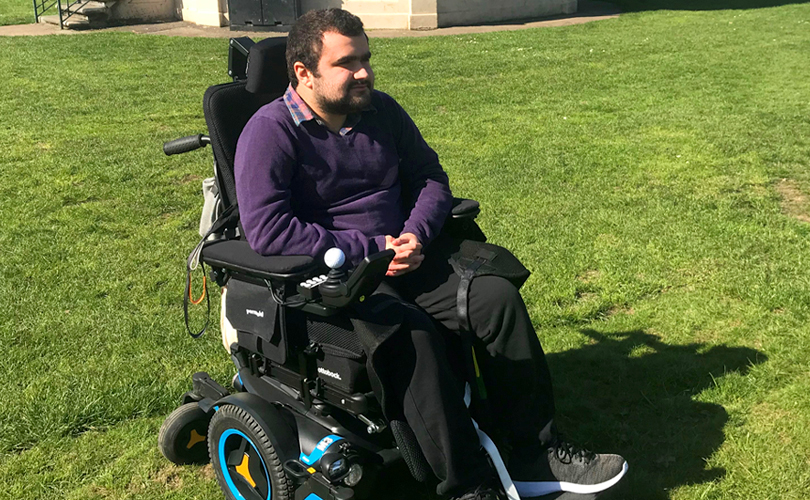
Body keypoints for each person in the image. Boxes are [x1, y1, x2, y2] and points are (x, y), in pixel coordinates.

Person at [233, 8, 627, 500]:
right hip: (341, 279)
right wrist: (372, 249)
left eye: (367, 59)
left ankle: (535, 454)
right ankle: (467, 485)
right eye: (347, 63)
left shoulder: (381, 111)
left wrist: (415, 234)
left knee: (494, 298)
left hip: (411, 254)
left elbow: (430, 179)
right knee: (411, 337)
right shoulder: (269, 133)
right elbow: (270, 231)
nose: (365, 73)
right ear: (303, 73)